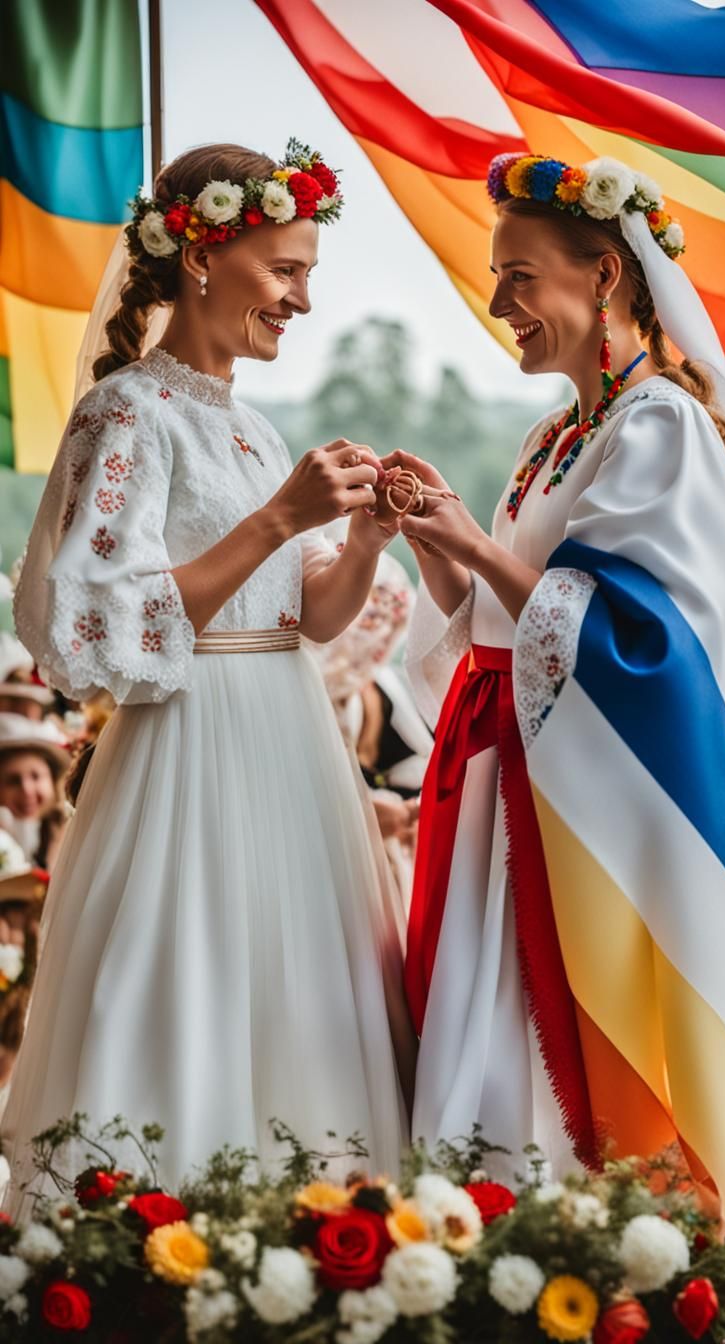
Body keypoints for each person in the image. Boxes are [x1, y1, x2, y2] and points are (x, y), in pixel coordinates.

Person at [3, 141, 411, 1211]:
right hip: (187, 749)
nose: (303, 298)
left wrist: (359, 537)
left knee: (296, 1002)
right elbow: (93, 622)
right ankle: (156, 1247)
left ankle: (304, 1245)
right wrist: (283, 514)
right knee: (192, 986)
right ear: (201, 258)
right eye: (285, 268)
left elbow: (301, 619)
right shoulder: (127, 411)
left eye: (309, 273)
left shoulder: (250, 423)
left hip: (290, 746)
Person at [395, 153, 725, 1234]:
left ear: (602, 273)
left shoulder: (660, 426)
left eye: (519, 276)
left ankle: (579, 1239)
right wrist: (440, 541)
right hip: (507, 769)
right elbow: (501, 612)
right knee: (482, 1005)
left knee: (554, 1023)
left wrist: (475, 540)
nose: (500, 301)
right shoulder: (550, 438)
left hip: (586, 792)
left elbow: (645, 635)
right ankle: (477, 1225)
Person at [313, 543, 432, 917]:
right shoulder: (312, 701)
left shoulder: (393, 689)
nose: (374, 631)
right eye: (366, 617)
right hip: (342, 886)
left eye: (386, 618)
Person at [0, 715, 69, 861]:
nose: (27, 790)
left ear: (52, 780)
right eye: (13, 781)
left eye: (36, 777)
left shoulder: (70, 832)